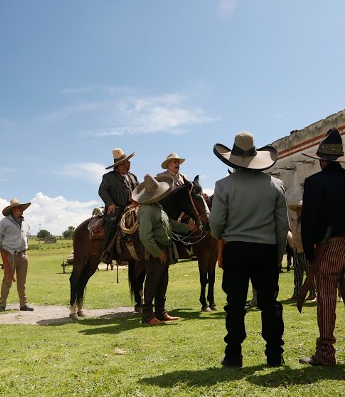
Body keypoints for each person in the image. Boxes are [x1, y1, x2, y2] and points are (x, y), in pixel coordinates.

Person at [210, 131, 288, 368]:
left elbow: (215, 224)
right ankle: (274, 355)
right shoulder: (276, 185)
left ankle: (233, 355)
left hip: (236, 250)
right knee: (269, 303)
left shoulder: (223, 185)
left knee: (235, 304)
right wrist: (278, 254)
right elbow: (282, 225)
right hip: (266, 249)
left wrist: (221, 237)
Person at [298, 128, 345, 366]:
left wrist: (310, 252)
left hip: (327, 248)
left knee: (327, 299)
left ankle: (326, 353)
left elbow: (308, 223)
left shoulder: (314, 183)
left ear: (322, 159)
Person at [134, 174, 197, 324]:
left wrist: (187, 227)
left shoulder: (158, 208)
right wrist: (157, 252)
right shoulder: (146, 210)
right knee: (152, 282)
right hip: (156, 249)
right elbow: (145, 236)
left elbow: (170, 224)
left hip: (164, 248)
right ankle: (148, 316)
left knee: (163, 282)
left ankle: (161, 313)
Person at [99, 148, 139, 264]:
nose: (129, 163)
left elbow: (139, 189)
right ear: (120, 164)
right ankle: (107, 252)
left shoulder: (133, 176)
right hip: (116, 207)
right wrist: (110, 203)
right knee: (112, 222)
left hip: (133, 206)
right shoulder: (109, 177)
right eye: (127, 161)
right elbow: (102, 190)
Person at [0, 199, 34, 312]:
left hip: (22, 255)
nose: (22, 210)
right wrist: (2, 251)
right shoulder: (4, 222)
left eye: (22, 208)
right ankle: (2, 304)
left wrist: (25, 250)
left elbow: (28, 237)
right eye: (19, 208)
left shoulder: (26, 223)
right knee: (7, 280)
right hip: (9, 254)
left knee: (22, 282)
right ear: (13, 209)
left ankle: (23, 304)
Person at [288, 201, 315, 301]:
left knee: (310, 273)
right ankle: (297, 293)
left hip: (306, 251)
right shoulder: (294, 222)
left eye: (300, 209)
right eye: (297, 209)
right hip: (296, 250)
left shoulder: (310, 222)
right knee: (297, 274)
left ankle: (313, 294)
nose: (298, 212)